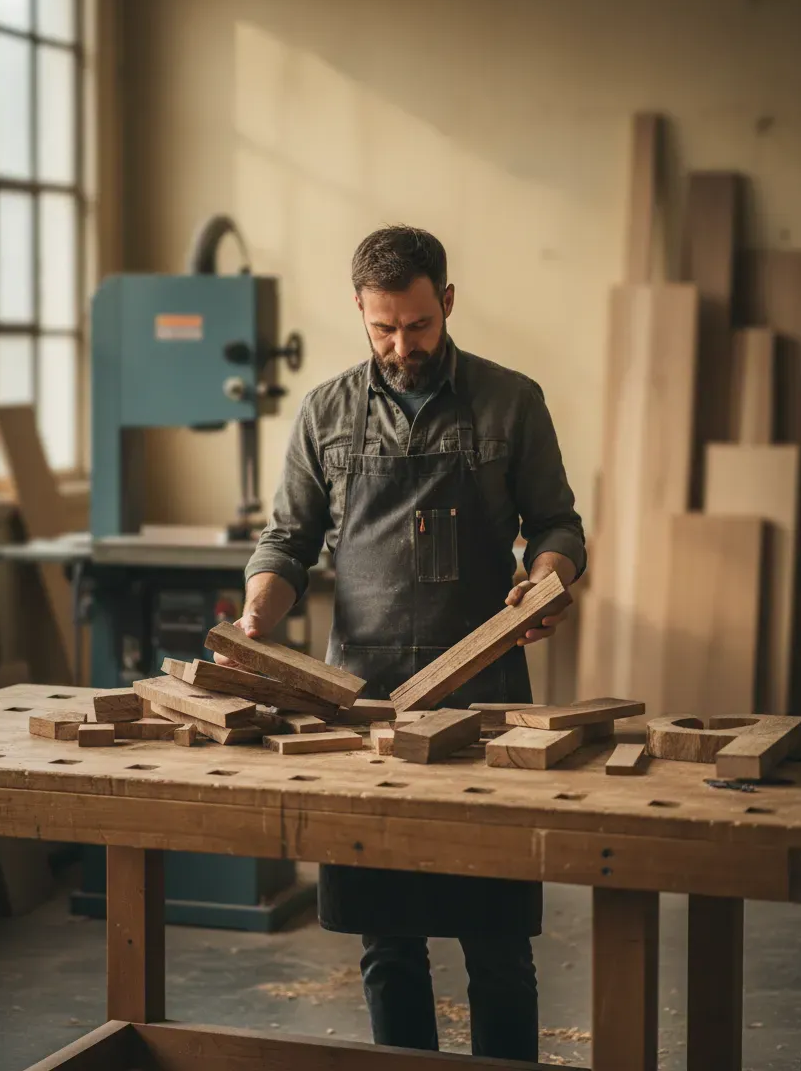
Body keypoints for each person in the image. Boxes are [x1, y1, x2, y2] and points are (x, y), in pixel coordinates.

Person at [222, 226, 586, 1062]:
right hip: (365, 712)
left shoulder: (511, 401)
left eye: (417, 326)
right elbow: (286, 540)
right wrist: (256, 615)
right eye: (383, 327)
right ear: (359, 308)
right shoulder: (326, 412)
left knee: (498, 944)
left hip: (487, 709)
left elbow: (557, 524)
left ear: (447, 303)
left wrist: (549, 579)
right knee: (387, 944)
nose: (401, 346)